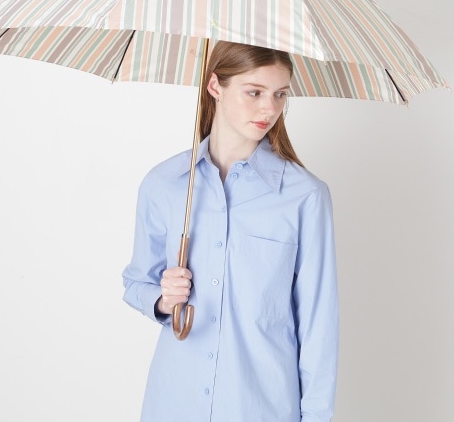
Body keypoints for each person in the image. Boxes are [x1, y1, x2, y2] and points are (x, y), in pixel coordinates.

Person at [122, 41, 339, 422]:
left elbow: (318, 325)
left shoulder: (305, 196)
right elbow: (137, 282)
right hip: (174, 403)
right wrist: (163, 300)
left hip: (260, 408)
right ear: (214, 86)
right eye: (254, 92)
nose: (269, 108)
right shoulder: (165, 184)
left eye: (280, 94)